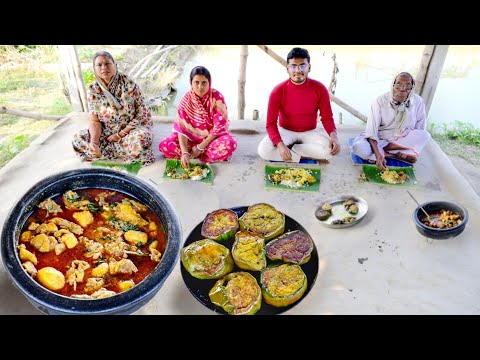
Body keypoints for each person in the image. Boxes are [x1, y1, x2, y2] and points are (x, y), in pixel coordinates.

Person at [257, 47, 340, 162]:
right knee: (264, 151)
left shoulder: (319, 89)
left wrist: (334, 137)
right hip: (285, 131)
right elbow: (270, 124)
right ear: (287, 68)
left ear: (309, 67)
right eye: (293, 66)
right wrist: (280, 145)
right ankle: (300, 155)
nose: (298, 70)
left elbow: (327, 118)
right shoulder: (278, 91)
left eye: (302, 65)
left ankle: (294, 150)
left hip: (309, 132)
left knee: (331, 151)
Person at [72, 51, 155, 166]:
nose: (104, 67)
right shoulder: (93, 90)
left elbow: (142, 114)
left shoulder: (129, 84)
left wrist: (120, 134)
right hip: (108, 132)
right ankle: (118, 150)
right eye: (99, 65)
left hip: (131, 129)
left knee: (142, 138)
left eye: (107, 63)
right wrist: (94, 142)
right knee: (78, 138)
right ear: (94, 68)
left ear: (114, 64)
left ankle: (110, 151)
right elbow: (94, 121)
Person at [159, 65, 237, 169]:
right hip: (191, 141)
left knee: (229, 144)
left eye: (204, 83)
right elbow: (181, 130)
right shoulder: (185, 101)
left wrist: (200, 147)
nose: (200, 87)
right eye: (197, 82)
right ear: (191, 83)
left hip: (211, 139)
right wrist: (185, 153)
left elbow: (219, 128)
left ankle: (199, 153)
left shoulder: (217, 97)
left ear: (209, 83)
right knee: (165, 145)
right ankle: (195, 154)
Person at [351, 71, 431, 171]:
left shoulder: (417, 101)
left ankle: (385, 151)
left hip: (401, 141)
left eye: (407, 86)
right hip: (380, 139)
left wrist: (412, 143)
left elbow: (420, 129)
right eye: (398, 84)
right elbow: (371, 132)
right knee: (358, 147)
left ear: (412, 88)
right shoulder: (380, 101)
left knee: (425, 135)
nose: (402, 89)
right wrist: (378, 155)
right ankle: (393, 155)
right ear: (393, 85)